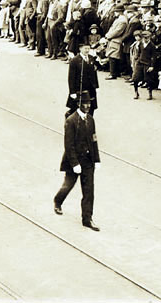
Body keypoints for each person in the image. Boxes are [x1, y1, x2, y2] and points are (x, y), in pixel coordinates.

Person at [53, 93, 101, 231]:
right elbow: (69, 145)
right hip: (73, 160)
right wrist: (74, 164)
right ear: (78, 104)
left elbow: (94, 140)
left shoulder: (91, 120)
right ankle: (58, 200)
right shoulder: (71, 121)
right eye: (84, 103)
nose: (87, 106)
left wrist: (96, 160)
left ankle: (87, 219)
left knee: (89, 191)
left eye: (89, 103)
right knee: (68, 185)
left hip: (88, 161)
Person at [66, 41, 99, 116]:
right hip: (79, 88)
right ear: (80, 49)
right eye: (85, 48)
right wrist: (72, 92)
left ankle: (88, 124)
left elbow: (94, 73)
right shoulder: (75, 60)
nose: (87, 50)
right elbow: (71, 78)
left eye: (88, 48)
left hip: (91, 88)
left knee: (91, 107)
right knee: (76, 108)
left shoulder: (91, 58)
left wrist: (96, 86)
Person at [132, 29, 157, 100]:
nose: (146, 39)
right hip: (140, 63)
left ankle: (150, 93)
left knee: (148, 80)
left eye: (147, 38)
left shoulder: (152, 45)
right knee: (135, 78)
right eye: (144, 38)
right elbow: (139, 52)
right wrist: (137, 58)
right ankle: (136, 93)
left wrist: (152, 66)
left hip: (147, 64)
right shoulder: (140, 43)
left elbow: (153, 56)